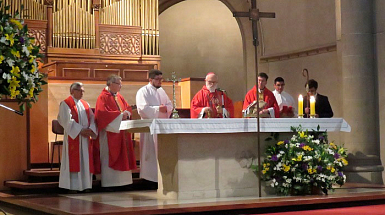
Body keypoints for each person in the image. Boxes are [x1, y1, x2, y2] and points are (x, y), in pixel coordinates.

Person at [94, 75, 137, 188]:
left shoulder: (119, 96)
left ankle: (123, 183)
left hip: (121, 132)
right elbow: (101, 114)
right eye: (119, 84)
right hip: (109, 133)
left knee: (123, 156)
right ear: (111, 84)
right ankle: (110, 184)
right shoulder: (103, 97)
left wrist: (127, 114)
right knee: (109, 156)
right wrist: (120, 116)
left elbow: (127, 108)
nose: (121, 86)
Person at [57, 82, 97, 192]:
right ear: (72, 91)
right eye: (80, 90)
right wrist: (80, 130)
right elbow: (66, 120)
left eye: (83, 91)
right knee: (74, 161)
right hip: (73, 137)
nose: (82, 93)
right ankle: (73, 186)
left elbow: (93, 119)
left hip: (85, 138)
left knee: (85, 161)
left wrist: (90, 130)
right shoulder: (65, 104)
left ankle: (85, 186)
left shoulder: (86, 104)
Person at [136, 69, 173, 182]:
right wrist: (158, 109)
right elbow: (142, 109)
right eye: (157, 79)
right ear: (150, 79)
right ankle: (149, 179)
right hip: (150, 127)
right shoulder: (143, 91)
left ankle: (160, 179)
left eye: (161, 79)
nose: (160, 82)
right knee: (150, 154)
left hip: (161, 127)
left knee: (161, 153)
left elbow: (169, 104)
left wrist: (166, 108)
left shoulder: (161, 91)